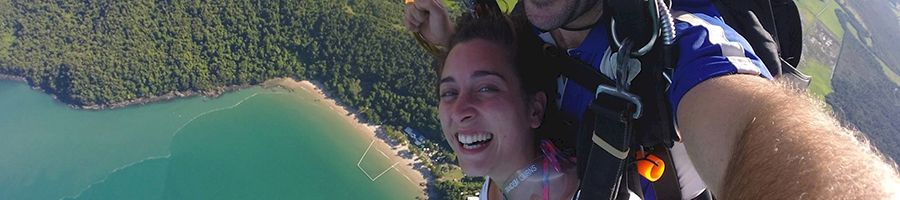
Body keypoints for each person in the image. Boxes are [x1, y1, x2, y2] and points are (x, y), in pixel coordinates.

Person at [406, 0, 900, 199]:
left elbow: (758, 134)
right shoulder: (535, 34)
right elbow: (495, 80)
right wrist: (448, 37)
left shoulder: (677, 46)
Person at [436, 5, 581, 199]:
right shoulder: (495, 190)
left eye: (486, 89)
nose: (459, 111)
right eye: (449, 93)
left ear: (534, 110)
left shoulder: (599, 193)